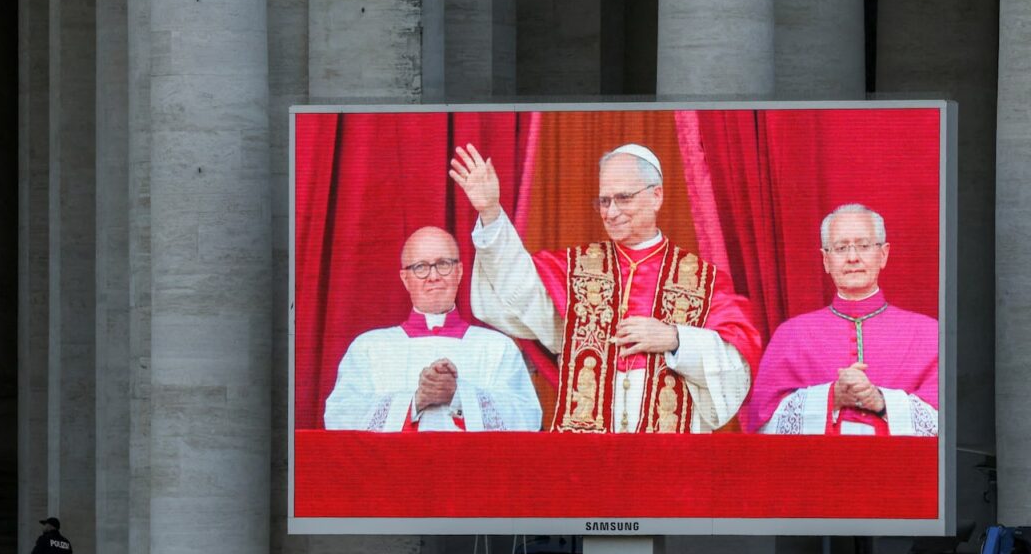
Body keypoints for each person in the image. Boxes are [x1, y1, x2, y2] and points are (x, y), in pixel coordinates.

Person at [454, 143, 762, 432]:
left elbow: (737, 367)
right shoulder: (575, 270)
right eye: (604, 200)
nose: (611, 212)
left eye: (623, 198)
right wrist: (491, 212)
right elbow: (515, 288)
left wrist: (675, 338)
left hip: (668, 456)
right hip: (588, 453)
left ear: (656, 196)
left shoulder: (703, 281)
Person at [323, 227, 542, 432]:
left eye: (443, 264)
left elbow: (528, 418)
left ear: (459, 272)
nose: (433, 276)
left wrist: (459, 395)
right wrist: (415, 400)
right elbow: (338, 417)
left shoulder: (497, 347)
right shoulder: (369, 347)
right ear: (405, 279)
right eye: (420, 267)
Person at [749, 204, 939, 435]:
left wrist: (880, 401)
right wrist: (831, 397)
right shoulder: (791, 335)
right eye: (840, 248)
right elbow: (762, 425)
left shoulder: (929, 334)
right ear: (826, 260)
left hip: (900, 467)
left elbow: (951, 424)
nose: (852, 258)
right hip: (817, 467)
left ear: (883, 254)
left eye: (863, 246)